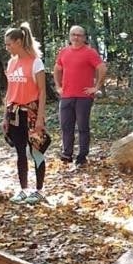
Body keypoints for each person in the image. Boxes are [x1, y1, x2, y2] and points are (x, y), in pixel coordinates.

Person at [2, 22, 49, 203]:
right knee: (20, 152)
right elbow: (9, 90)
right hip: (14, 113)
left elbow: (43, 91)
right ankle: (23, 189)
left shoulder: (36, 62)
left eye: (9, 44)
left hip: (31, 112)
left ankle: (39, 190)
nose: (7, 48)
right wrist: (5, 116)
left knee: (36, 151)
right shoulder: (11, 62)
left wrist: (40, 117)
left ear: (19, 41)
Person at [53, 25, 106, 168]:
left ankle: (82, 156)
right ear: (69, 36)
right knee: (66, 126)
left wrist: (96, 87)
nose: (76, 37)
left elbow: (101, 68)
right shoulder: (64, 52)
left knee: (83, 127)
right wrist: (58, 86)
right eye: (73, 34)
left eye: (79, 35)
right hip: (67, 96)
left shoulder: (90, 52)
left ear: (84, 37)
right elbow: (57, 69)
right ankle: (67, 153)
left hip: (83, 97)